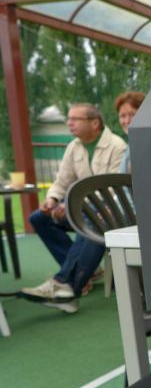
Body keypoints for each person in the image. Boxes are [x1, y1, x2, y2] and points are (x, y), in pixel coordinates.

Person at [20, 103, 127, 313]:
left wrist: (72, 205)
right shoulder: (73, 147)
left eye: (75, 119)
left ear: (94, 123)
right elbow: (62, 180)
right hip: (85, 210)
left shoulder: (117, 146)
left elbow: (113, 189)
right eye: (68, 119)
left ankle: (66, 283)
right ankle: (83, 273)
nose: (69, 123)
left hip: (109, 213)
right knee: (39, 218)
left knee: (90, 220)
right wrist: (52, 200)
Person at [115, 91, 145, 173]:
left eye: (132, 115)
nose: (127, 121)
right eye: (122, 116)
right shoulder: (131, 146)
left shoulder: (149, 146)